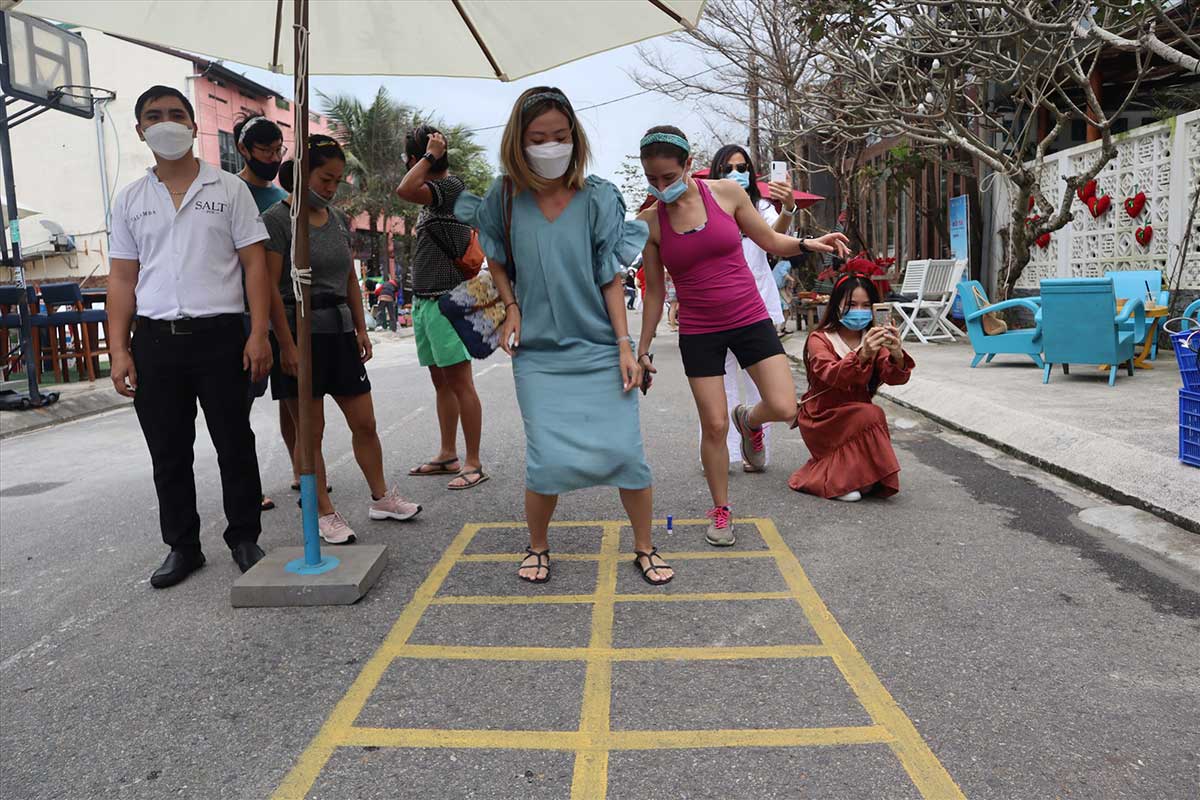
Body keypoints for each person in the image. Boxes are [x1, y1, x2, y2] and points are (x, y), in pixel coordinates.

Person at [455, 86, 672, 586]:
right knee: (546, 457)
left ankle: (644, 546)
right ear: (518, 141)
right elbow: (497, 257)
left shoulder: (598, 196)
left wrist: (625, 346)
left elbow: (609, 277)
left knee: (626, 452)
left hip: (598, 348)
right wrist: (510, 307)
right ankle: (537, 546)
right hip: (538, 354)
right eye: (538, 137)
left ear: (574, 136)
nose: (551, 146)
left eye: (560, 135)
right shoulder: (503, 197)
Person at [635, 125, 849, 547]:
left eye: (668, 177)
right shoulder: (651, 223)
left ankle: (748, 419)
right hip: (699, 330)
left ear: (689, 167)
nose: (661, 187)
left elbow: (770, 241)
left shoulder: (726, 195)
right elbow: (656, 291)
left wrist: (810, 243)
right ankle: (721, 509)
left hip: (749, 316)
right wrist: (641, 348)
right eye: (652, 180)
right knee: (713, 425)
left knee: (786, 406)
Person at [107, 85, 273, 588]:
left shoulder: (229, 190)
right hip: (155, 341)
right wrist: (118, 350)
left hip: (221, 335)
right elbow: (121, 279)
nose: (167, 123)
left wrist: (258, 333)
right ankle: (183, 546)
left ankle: (244, 535)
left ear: (193, 124)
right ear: (140, 130)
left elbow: (255, 266)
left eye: (176, 114)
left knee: (233, 440)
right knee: (168, 448)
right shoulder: (130, 200)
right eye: (154, 116)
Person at [262, 136, 422, 545]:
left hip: (340, 331)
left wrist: (362, 328)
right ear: (301, 176)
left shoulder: (335, 218)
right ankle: (322, 512)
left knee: (364, 421)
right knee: (309, 430)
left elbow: (350, 276)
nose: (332, 188)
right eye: (325, 178)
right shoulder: (277, 221)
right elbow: (267, 287)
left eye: (337, 180)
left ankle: (381, 496)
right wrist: (287, 344)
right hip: (299, 334)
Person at [396, 125, 488, 490]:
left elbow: (403, 189)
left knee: (460, 382)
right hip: (425, 300)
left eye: (410, 159)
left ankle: (474, 461)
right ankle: (448, 454)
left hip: (447, 300)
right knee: (441, 382)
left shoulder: (450, 188)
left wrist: (429, 156)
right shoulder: (432, 194)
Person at [697, 144, 796, 473]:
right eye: (727, 169)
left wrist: (789, 208)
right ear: (716, 172)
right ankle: (721, 452)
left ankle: (756, 449)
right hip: (715, 311)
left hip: (758, 307)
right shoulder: (702, 208)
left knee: (761, 388)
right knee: (718, 385)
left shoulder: (761, 206)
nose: (735, 174)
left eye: (741, 167)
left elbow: (772, 235)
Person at [789, 274, 913, 501]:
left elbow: (895, 377)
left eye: (866, 305)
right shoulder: (820, 338)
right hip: (822, 415)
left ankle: (854, 476)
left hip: (854, 414)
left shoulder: (873, 337)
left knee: (869, 414)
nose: (859, 311)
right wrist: (863, 354)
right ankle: (838, 480)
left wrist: (896, 353)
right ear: (837, 305)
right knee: (871, 413)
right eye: (852, 305)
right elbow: (831, 374)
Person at [233, 113, 291, 512]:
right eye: (265, 152)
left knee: (292, 397)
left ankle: (306, 470)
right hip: (241, 314)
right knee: (239, 406)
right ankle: (248, 487)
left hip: (285, 310)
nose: (272, 158)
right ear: (244, 151)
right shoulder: (229, 192)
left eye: (278, 151)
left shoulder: (282, 199)